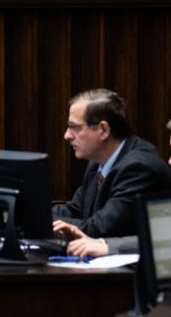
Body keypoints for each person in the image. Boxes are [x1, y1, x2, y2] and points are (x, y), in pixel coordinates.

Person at [52, 89, 171, 238]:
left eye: (74, 127)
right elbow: (76, 209)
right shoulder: (97, 162)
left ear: (103, 130)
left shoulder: (139, 167)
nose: (67, 135)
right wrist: (34, 215)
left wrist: (44, 223)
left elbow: (101, 229)